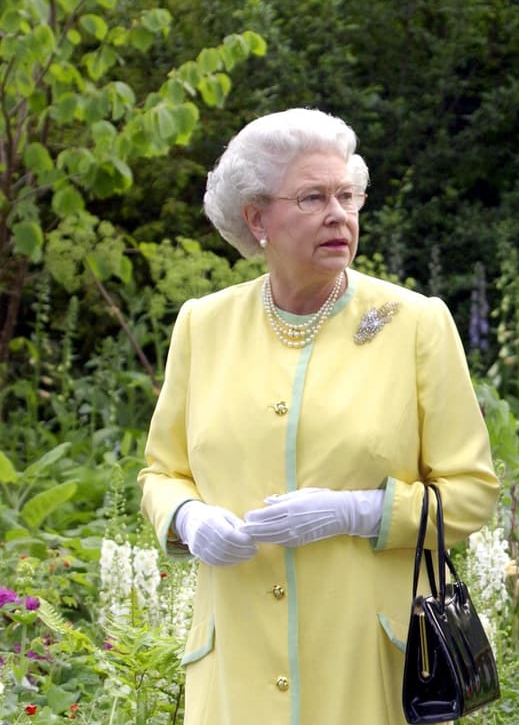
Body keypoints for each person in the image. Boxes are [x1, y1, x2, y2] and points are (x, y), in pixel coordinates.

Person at [138, 108, 499, 725]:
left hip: (368, 668)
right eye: (312, 197)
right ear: (257, 219)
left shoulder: (415, 322)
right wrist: (188, 518)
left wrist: (355, 512)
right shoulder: (203, 324)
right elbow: (161, 472)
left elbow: (472, 495)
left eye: (347, 195)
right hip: (234, 669)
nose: (339, 214)